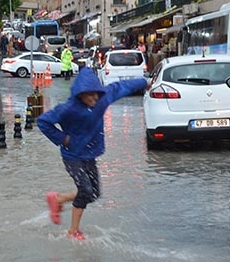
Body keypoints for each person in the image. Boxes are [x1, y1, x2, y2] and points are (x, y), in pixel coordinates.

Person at [37, 68, 150, 240]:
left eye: (97, 94)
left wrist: (145, 82)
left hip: (89, 154)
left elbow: (121, 86)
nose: (94, 98)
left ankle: (58, 200)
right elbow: (43, 121)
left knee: (94, 193)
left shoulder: (102, 100)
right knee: (85, 190)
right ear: (80, 94)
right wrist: (63, 139)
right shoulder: (68, 108)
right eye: (90, 95)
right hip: (72, 156)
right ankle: (73, 231)